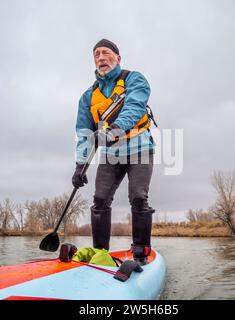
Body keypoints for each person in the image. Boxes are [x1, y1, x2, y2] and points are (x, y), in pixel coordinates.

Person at [72, 39, 156, 265]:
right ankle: (100, 253)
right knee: (99, 199)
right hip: (111, 154)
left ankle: (140, 252)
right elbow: (84, 133)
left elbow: (134, 107)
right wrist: (80, 166)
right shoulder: (88, 97)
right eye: (97, 54)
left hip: (139, 147)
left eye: (106, 53)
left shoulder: (134, 79)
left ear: (117, 58)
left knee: (138, 197)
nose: (101, 57)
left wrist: (114, 129)